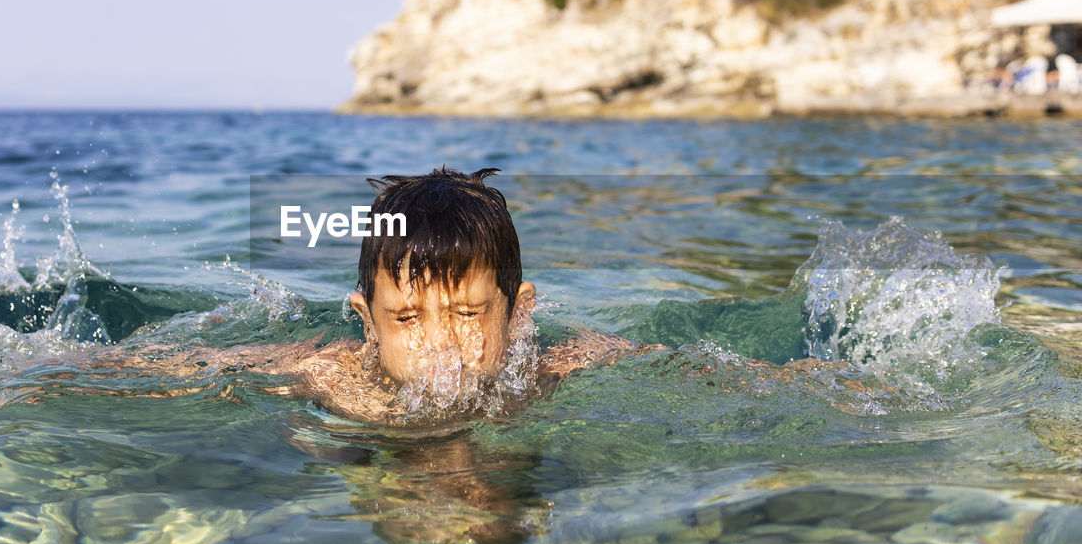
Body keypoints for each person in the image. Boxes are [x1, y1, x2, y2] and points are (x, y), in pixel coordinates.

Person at [120, 168, 842, 424]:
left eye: (468, 313)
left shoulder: (561, 363)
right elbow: (192, 366)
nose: (439, 341)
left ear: (518, 312)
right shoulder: (330, 373)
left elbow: (691, 367)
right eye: (407, 318)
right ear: (367, 322)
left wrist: (799, 385)